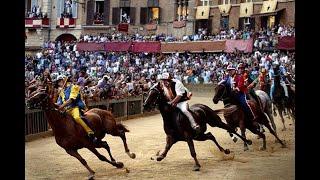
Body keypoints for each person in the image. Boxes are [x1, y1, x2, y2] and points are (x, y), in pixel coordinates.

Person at [55, 75, 98, 143]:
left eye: (60, 81)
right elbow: (59, 103)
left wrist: (61, 106)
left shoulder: (74, 87)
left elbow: (71, 100)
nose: (59, 83)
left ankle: (90, 133)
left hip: (74, 108)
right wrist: (52, 104)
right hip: (66, 110)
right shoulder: (61, 92)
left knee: (77, 118)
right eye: (58, 82)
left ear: (64, 80)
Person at [232, 63, 262, 132]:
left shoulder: (247, 74)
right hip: (240, 92)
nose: (241, 69)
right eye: (239, 68)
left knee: (254, 96)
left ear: (244, 68)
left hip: (248, 91)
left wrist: (251, 85)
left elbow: (253, 82)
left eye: (242, 68)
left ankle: (259, 109)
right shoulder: (237, 76)